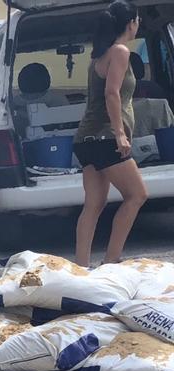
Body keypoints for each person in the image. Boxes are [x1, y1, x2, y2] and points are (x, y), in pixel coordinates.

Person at [74, 1, 146, 267]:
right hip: (105, 139)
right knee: (137, 195)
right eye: (138, 20)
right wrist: (119, 134)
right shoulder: (120, 51)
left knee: (94, 204)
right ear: (131, 23)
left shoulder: (99, 55)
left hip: (85, 140)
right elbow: (111, 93)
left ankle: (81, 267)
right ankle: (112, 261)